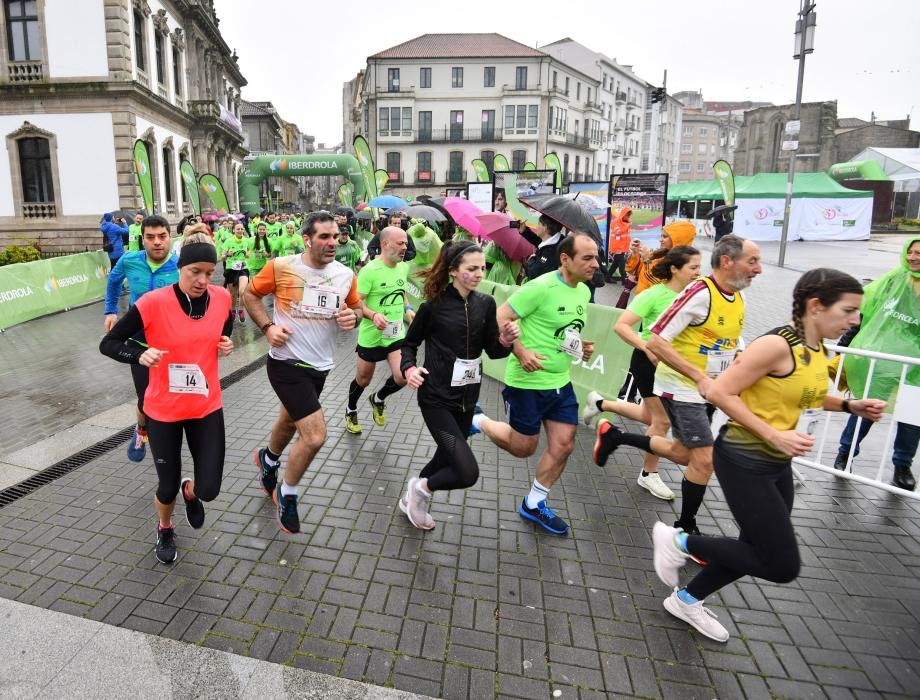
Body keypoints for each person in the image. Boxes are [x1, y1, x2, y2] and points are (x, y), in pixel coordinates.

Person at [651, 269, 885, 642]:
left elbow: (805, 395)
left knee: (756, 549)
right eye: (848, 310)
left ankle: (686, 599)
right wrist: (773, 433)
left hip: (776, 464)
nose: (855, 320)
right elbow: (719, 392)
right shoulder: (776, 345)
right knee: (780, 564)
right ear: (815, 306)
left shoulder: (817, 348)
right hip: (744, 459)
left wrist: (849, 405)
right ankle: (678, 541)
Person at [594, 235, 762, 538]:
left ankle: (615, 437)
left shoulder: (738, 297)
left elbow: (726, 342)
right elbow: (656, 339)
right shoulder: (696, 294)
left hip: (708, 390)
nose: (759, 269)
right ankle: (685, 527)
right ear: (727, 262)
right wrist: (697, 376)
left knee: (684, 453)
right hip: (681, 388)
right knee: (701, 457)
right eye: (752, 261)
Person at [100, 233, 234, 563]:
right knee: (166, 485)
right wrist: (139, 356)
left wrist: (225, 342)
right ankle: (164, 526)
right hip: (164, 410)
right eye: (195, 272)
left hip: (206, 406)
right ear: (180, 268)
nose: (203, 280)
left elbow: (225, 325)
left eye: (209, 271)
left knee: (210, 489)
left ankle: (192, 493)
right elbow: (110, 342)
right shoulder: (153, 302)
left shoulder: (221, 298)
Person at [243, 212, 360, 534]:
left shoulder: (345, 274)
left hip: (320, 367)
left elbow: (356, 307)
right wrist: (267, 328)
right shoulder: (282, 266)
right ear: (306, 239)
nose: (332, 242)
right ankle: (288, 492)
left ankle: (268, 460)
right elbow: (249, 295)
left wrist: (354, 317)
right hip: (285, 362)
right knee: (315, 435)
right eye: (324, 236)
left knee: (289, 420)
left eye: (336, 236)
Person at [474, 233, 598, 535]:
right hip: (527, 383)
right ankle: (478, 420)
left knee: (564, 444)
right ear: (565, 259)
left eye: (596, 257)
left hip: (560, 382)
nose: (595, 263)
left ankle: (534, 503)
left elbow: (562, 331)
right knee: (522, 447)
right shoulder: (539, 288)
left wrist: (580, 346)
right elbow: (499, 317)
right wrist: (521, 350)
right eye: (587, 258)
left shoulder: (583, 292)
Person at [399, 240, 519, 529]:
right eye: (472, 268)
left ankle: (413, 496)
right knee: (466, 471)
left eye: (482, 268)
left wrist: (506, 340)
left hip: (467, 400)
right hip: (436, 399)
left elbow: (493, 350)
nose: (480, 274)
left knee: (444, 455)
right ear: (453, 270)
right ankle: (420, 490)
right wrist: (409, 369)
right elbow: (409, 344)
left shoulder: (486, 304)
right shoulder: (433, 307)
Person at [582, 246, 702, 501]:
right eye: (693, 267)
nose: (698, 272)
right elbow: (621, 326)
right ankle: (648, 474)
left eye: (699, 267)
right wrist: (647, 348)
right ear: (674, 268)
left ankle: (600, 403)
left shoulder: (694, 295)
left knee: (650, 416)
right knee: (662, 421)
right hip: (649, 362)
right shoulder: (654, 295)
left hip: (675, 366)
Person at [834, 236, 920, 490]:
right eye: (911, 252)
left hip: (916, 365)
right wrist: (844, 345)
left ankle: (902, 465)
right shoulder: (894, 280)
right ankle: (845, 454)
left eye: (919, 253)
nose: (913, 257)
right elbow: (865, 313)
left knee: (912, 417)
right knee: (867, 407)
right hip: (881, 360)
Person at [104, 214, 179, 462]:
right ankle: (142, 429)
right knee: (145, 396)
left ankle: (168, 435)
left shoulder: (180, 266)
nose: (157, 242)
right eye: (150, 237)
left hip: (171, 342)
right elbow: (113, 282)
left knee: (171, 395)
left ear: (170, 237)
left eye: (162, 236)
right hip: (138, 338)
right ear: (142, 239)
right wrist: (111, 310)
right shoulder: (129, 260)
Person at [345, 226, 414, 434]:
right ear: (385, 244)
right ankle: (351, 409)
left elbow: (401, 292)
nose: (405, 247)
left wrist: (408, 309)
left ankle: (378, 398)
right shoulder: (368, 271)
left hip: (395, 334)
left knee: (402, 376)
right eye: (400, 243)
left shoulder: (403, 268)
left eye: (406, 243)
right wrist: (373, 315)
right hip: (372, 336)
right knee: (363, 380)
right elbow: (357, 304)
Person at [221, 222, 250, 323]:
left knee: (243, 291)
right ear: (233, 230)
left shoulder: (247, 240)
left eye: (242, 229)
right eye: (238, 229)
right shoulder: (228, 241)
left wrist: (248, 254)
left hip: (243, 268)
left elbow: (250, 251)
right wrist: (228, 254)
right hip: (231, 269)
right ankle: (233, 310)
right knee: (233, 294)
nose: (240, 231)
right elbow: (222, 257)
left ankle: (241, 309)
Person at [524, 215, 565, 281]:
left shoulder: (550, 253)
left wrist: (531, 259)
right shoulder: (557, 240)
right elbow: (539, 241)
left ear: (545, 227)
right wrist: (524, 231)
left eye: (538, 224)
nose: (536, 227)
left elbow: (533, 273)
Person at [607, 207, 632, 283]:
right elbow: (618, 232)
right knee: (622, 264)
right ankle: (624, 280)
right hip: (617, 248)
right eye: (627, 215)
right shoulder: (616, 222)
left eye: (629, 216)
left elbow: (625, 236)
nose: (628, 217)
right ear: (623, 214)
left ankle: (607, 277)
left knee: (616, 264)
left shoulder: (626, 222)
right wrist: (628, 225)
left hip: (622, 247)